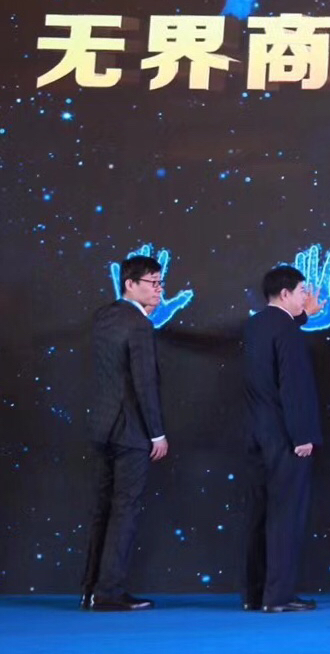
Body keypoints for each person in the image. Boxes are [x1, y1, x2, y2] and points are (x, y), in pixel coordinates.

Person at [81, 255, 169, 612]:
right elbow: (144, 383)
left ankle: (90, 589)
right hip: (131, 431)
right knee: (125, 510)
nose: (159, 289)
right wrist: (157, 433)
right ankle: (109, 591)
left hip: (101, 427)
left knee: (103, 509)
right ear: (130, 284)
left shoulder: (103, 316)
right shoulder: (139, 325)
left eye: (160, 282)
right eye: (153, 283)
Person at [242, 265, 322, 613]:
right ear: (286, 293)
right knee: (286, 515)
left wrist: (303, 316)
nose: (307, 296)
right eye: (303, 291)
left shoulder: (256, 324)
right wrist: (302, 435)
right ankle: (279, 596)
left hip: (257, 433)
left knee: (260, 514)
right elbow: (293, 385)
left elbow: (281, 333)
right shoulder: (287, 330)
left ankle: (256, 593)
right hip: (286, 435)